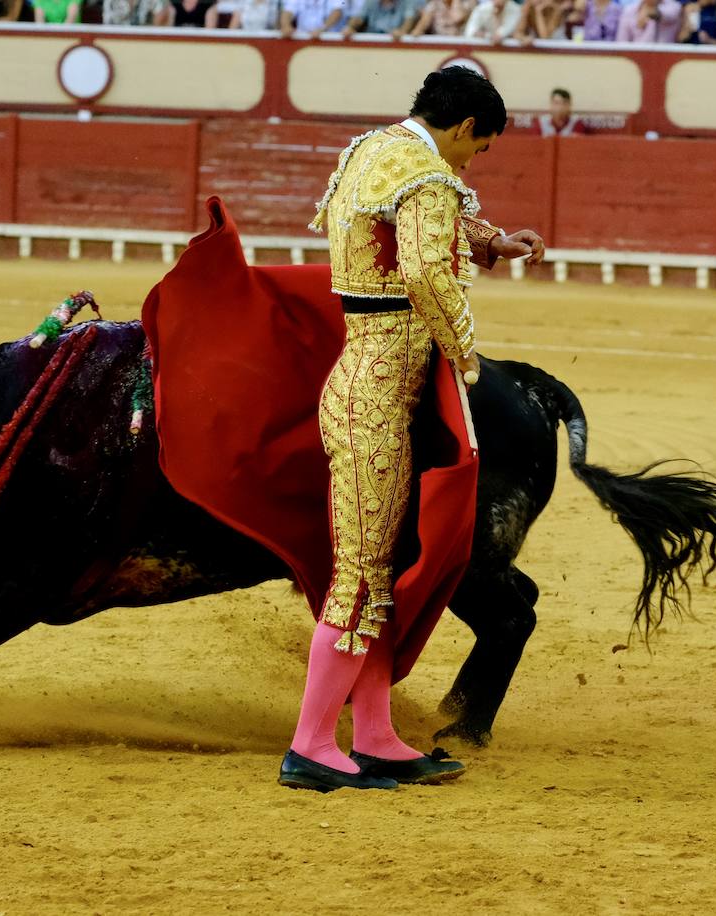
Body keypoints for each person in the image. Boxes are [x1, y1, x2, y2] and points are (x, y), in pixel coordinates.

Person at [281, 66, 545, 792]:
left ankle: (373, 735)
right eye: (479, 148)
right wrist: (463, 353)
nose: (472, 162)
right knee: (362, 578)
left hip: (363, 382)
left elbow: (401, 227)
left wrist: (487, 243)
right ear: (463, 128)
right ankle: (310, 745)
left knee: (381, 575)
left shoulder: (376, 149)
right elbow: (428, 272)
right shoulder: (427, 175)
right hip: (378, 396)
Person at [342, 0, 420, 38]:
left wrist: (402, 31)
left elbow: (409, 19)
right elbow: (359, 18)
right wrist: (349, 28)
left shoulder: (407, 2)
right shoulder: (371, 2)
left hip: (394, 41)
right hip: (372, 41)